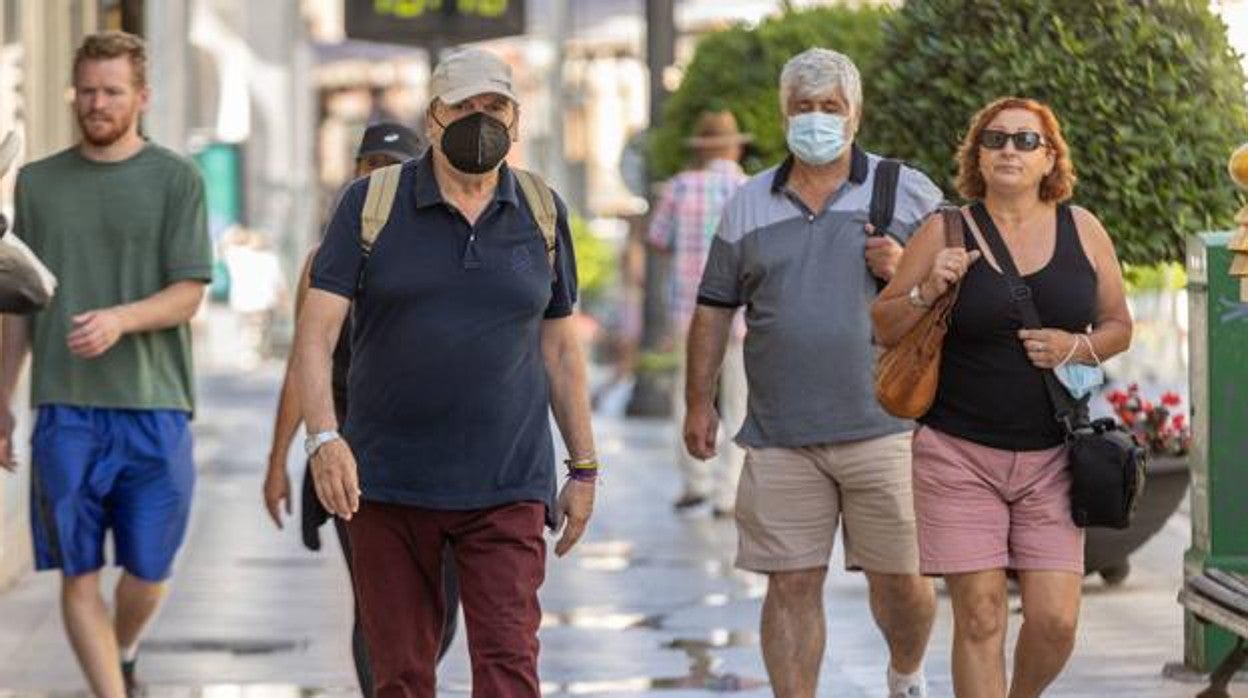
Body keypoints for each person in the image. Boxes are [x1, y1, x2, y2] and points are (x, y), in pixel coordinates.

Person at [293, 47, 597, 697]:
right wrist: (323, 438)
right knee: (401, 675)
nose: (481, 120)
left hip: (508, 485)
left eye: (495, 106)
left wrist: (584, 468)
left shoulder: (542, 210)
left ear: (516, 118)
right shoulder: (369, 204)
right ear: (433, 117)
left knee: (510, 667)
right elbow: (315, 337)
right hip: (389, 485)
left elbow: (561, 351)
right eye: (465, 107)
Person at [686, 48, 944, 698]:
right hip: (780, 435)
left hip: (886, 428)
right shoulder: (747, 203)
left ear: (855, 114)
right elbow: (713, 308)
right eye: (804, 107)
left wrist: (905, 270)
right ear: (784, 115)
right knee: (790, 583)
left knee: (902, 581)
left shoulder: (905, 190)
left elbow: (959, 288)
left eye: (831, 106)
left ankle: (906, 673)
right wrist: (699, 402)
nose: (817, 118)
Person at [870, 97, 1132, 697]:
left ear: (1050, 158)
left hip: (1053, 457)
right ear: (978, 155)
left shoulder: (1083, 229)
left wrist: (1074, 346)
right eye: (995, 139)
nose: (1009, 149)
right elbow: (883, 324)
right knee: (981, 616)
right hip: (957, 453)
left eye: (1025, 140)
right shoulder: (945, 230)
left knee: (1055, 622)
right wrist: (927, 288)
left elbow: (1118, 325)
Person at [0, 32, 211, 697]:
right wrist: (2, 401)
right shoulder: (37, 184)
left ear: (141, 97)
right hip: (66, 412)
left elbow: (189, 293)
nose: (98, 103)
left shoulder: (178, 178)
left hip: (156, 406)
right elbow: (19, 305)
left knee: (150, 570)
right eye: (87, 91)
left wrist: (121, 319)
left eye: (112, 91)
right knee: (79, 571)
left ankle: (122, 647)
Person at [262, 121, 458, 696]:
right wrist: (278, 461)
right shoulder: (324, 260)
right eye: (370, 166)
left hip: (442, 454)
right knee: (377, 602)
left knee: (442, 608)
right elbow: (302, 365)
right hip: (353, 451)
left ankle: (406, 680)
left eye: (392, 168)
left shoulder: (444, 251)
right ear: (355, 174)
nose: (379, 178)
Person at [647, 109, 750, 517]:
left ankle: (696, 482)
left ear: (701, 148)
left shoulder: (679, 187)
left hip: (689, 311)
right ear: (735, 147)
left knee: (689, 395)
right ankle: (728, 492)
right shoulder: (747, 188)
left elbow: (658, 239)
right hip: (739, 312)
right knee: (738, 400)